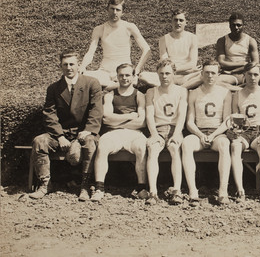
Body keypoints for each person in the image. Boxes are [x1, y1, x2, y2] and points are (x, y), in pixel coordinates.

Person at [30, 50, 103, 201]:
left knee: (90, 143)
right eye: (65, 64)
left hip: (84, 132)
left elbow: (96, 111)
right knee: (39, 141)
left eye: (72, 64)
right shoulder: (54, 88)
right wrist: (60, 136)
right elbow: (49, 114)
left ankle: (84, 185)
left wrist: (87, 130)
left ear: (78, 65)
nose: (69, 67)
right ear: (60, 66)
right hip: (62, 133)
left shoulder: (92, 83)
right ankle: (45, 184)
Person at [91, 63, 147, 202]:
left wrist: (116, 119)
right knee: (103, 146)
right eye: (121, 75)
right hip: (114, 133)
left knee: (141, 147)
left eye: (128, 75)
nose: (124, 78)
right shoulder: (110, 95)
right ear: (117, 77)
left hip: (135, 133)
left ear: (134, 77)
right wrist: (129, 116)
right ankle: (99, 188)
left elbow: (142, 122)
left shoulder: (140, 95)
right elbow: (106, 119)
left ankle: (141, 188)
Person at [182, 60, 232, 205]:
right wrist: (201, 135)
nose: (210, 76)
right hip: (199, 133)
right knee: (186, 144)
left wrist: (213, 135)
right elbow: (190, 122)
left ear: (218, 75)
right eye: (207, 73)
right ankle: (193, 192)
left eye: (213, 73)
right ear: (202, 74)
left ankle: (223, 192)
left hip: (217, 133)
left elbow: (227, 120)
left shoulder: (225, 93)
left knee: (224, 144)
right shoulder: (193, 93)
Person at [79, 0, 156, 89]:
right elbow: (91, 51)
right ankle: (117, 85)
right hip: (105, 71)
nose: (114, 12)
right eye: (112, 9)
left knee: (128, 77)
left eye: (118, 10)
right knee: (83, 76)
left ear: (122, 12)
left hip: (124, 71)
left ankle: (111, 85)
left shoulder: (129, 27)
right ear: (107, 9)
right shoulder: (99, 29)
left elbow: (146, 49)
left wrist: (137, 69)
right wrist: (82, 66)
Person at [228, 62, 260, 204]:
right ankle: (240, 190)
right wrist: (233, 131)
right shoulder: (237, 95)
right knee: (235, 146)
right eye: (249, 74)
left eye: (256, 74)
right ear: (244, 76)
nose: (252, 77)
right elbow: (233, 119)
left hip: (259, 131)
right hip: (243, 131)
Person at [144, 59, 188, 205]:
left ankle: (176, 191)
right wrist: (154, 134)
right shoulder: (151, 92)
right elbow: (149, 116)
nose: (164, 76)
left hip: (175, 128)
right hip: (158, 128)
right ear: (157, 74)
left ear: (174, 74)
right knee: (153, 149)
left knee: (175, 148)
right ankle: (153, 192)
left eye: (168, 73)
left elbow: (182, 115)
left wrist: (176, 134)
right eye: (161, 73)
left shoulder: (181, 91)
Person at [215, 12, 260, 89]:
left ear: (243, 26)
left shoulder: (250, 41)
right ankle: (244, 88)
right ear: (229, 25)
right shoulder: (222, 40)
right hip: (228, 74)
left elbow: (255, 63)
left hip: (246, 72)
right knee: (216, 81)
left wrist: (235, 70)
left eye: (239, 25)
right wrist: (243, 63)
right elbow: (221, 62)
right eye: (233, 25)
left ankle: (237, 88)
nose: (236, 27)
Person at [158, 9, 200, 89]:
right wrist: (189, 70)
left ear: (186, 23)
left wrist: (177, 69)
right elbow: (165, 64)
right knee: (144, 76)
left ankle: (176, 88)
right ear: (171, 22)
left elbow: (192, 63)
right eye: (175, 20)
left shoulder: (193, 38)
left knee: (203, 74)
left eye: (181, 20)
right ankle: (184, 88)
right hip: (170, 75)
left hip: (187, 76)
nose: (178, 23)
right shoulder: (163, 39)